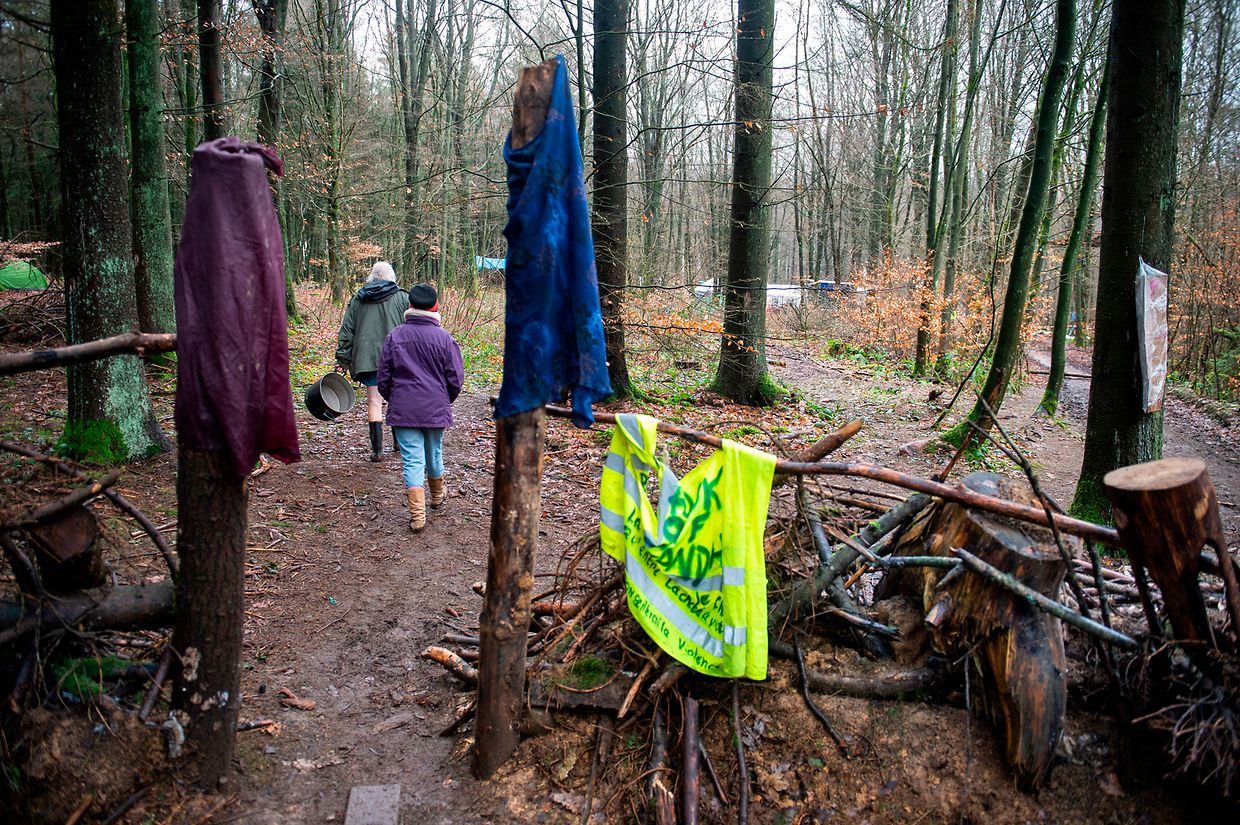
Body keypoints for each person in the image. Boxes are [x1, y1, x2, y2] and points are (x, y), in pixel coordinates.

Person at [377, 283, 464, 532]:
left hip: (404, 408)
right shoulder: (445, 339)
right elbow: (456, 379)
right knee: (434, 452)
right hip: (435, 407)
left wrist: (395, 398)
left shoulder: (395, 336)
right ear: (435, 307)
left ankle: (418, 516)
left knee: (412, 460)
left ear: (410, 305)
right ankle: (437, 497)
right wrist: (444, 399)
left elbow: (383, 377)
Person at [335, 261, 409, 461]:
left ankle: (377, 451)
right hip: (396, 358)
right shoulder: (403, 297)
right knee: (397, 399)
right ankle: (398, 443)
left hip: (368, 358)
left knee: (374, 402)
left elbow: (347, 331)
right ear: (391, 277)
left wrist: (342, 357)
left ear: (373, 277)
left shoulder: (358, 299)